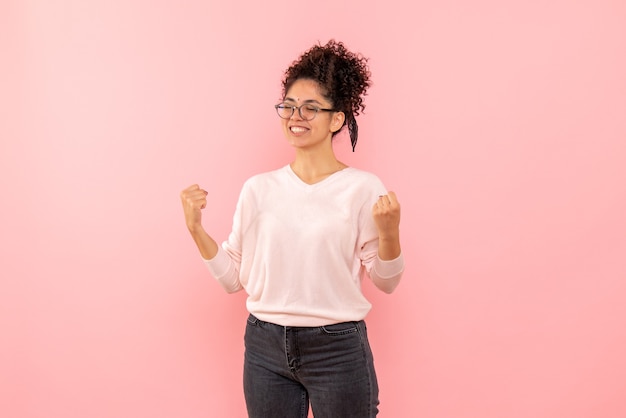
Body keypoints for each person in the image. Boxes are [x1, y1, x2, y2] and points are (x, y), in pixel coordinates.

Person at [180, 39, 404, 418]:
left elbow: (387, 281)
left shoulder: (363, 189)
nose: (295, 116)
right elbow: (232, 278)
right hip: (264, 345)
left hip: (337, 348)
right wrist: (195, 229)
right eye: (288, 105)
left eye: (310, 108)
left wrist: (389, 232)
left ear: (337, 119)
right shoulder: (258, 189)